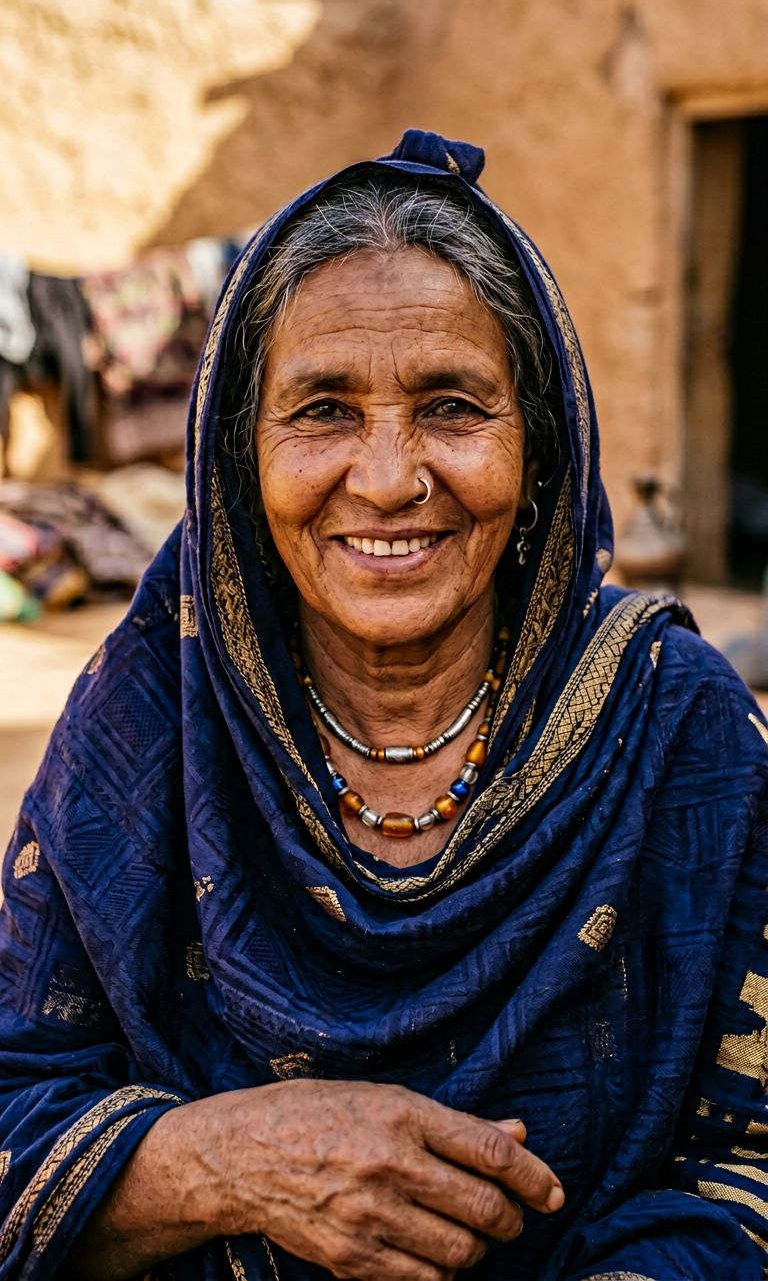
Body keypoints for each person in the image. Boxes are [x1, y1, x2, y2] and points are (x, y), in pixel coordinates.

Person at [0, 130, 766, 1281]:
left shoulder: (675, 728)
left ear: (543, 444)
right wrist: (224, 1157)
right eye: (322, 410)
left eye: (454, 405)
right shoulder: (151, 717)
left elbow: (753, 1159)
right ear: (237, 456)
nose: (389, 475)